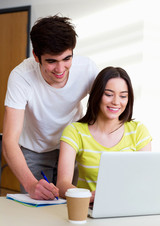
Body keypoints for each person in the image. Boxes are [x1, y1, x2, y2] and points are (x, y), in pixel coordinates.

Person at [2, 15, 98, 200]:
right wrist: (31, 184)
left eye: (67, 58)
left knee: (71, 207)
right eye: (51, 61)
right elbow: (9, 141)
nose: (60, 69)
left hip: (72, 148)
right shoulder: (21, 77)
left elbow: (105, 112)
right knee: (38, 211)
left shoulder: (87, 69)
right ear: (36, 56)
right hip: (35, 150)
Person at [56, 66, 152, 202]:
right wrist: (88, 196)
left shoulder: (138, 131)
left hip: (129, 207)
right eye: (108, 94)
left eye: (123, 96)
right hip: (88, 208)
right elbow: (62, 185)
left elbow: (146, 181)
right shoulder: (75, 131)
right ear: (97, 95)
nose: (116, 102)